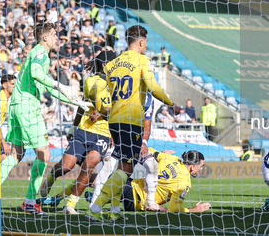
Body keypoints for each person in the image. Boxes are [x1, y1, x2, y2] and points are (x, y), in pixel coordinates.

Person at [0, 23, 90, 214]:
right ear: (45, 38)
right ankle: (30, 201)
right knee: (44, 154)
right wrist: (59, 84)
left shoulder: (37, 54)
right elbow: (37, 75)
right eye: (55, 35)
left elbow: (47, 87)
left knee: (16, 154)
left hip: (16, 106)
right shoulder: (40, 52)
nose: (57, 38)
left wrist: (75, 100)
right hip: (27, 108)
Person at [88, 25, 174, 222]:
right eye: (146, 43)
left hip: (114, 121)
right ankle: (94, 208)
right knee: (126, 170)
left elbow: (108, 94)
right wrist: (171, 102)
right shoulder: (143, 60)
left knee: (120, 167)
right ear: (142, 42)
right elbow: (152, 86)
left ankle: (110, 208)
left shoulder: (112, 64)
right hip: (131, 121)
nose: (146, 47)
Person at [38, 50, 117, 214]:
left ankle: (70, 205)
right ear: (104, 65)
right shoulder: (91, 81)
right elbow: (84, 105)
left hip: (102, 134)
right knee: (66, 167)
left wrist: (103, 115)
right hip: (84, 130)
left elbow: (116, 111)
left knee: (89, 166)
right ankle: (51, 179)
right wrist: (74, 127)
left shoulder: (117, 84)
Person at [116, 149, 211, 213]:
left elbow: (148, 150)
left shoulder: (171, 158)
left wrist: (161, 153)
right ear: (193, 166)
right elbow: (173, 209)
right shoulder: (184, 183)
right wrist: (194, 210)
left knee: (104, 187)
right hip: (137, 202)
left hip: (130, 185)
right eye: (201, 166)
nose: (201, 169)